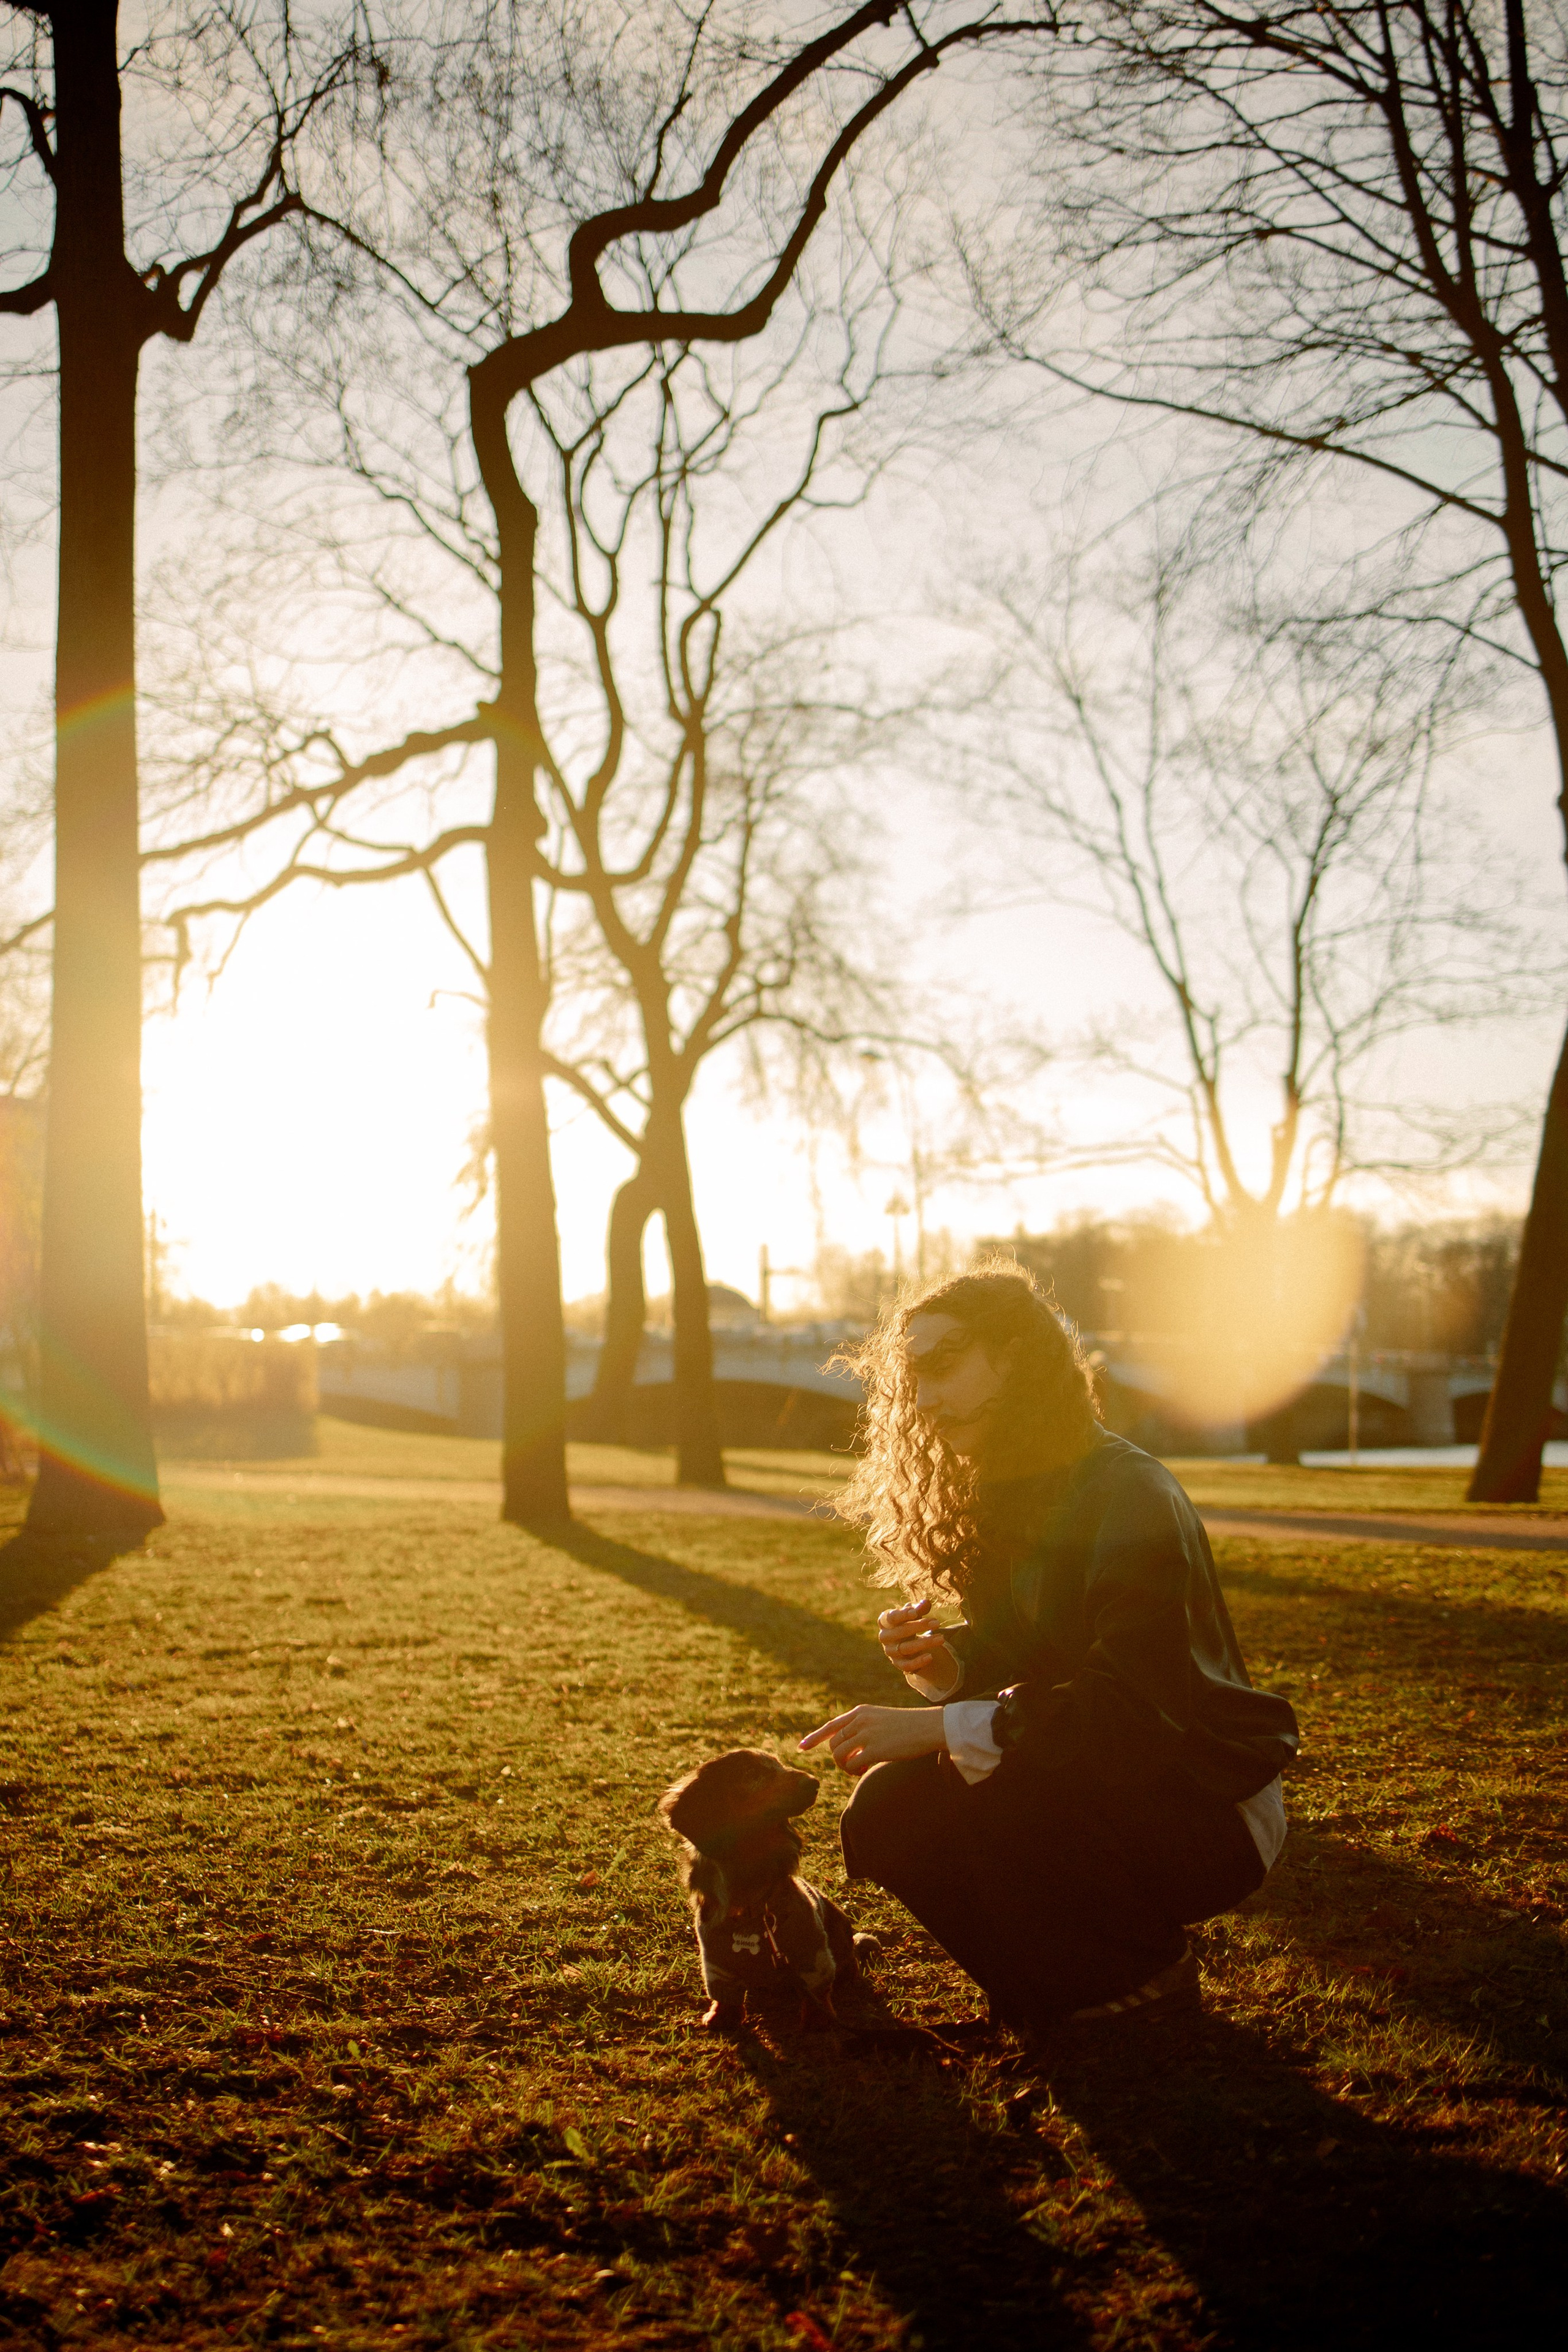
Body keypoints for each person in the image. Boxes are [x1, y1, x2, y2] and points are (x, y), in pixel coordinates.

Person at [799, 1262, 1298, 2029]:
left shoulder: (1129, 1491)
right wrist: (952, 1664)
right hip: (1099, 1776)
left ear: (1017, 1356)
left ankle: (1144, 1974)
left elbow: (1128, 1713)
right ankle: (1048, 1993)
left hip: (1202, 1801)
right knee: (889, 1812)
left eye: (943, 1364)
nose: (924, 1398)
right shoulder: (1009, 1486)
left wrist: (933, 1726)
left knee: (988, 1793)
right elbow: (1038, 1658)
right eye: (912, 1376)